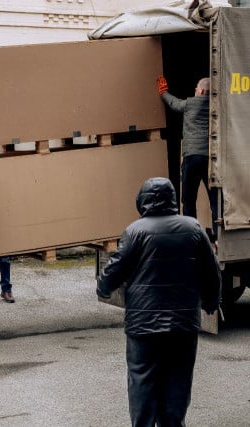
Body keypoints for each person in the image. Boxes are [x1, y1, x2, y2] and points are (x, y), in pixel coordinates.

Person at [97, 177, 221, 427]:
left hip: (143, 327)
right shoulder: (193, 228)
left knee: (142, 381)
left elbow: (113, 271)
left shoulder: (135, 231)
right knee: (177, 381)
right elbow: (211, 273)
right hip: (182, 325)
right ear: (173, 199)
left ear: (142, 201)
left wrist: (104, 288)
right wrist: (210, 301)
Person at [157, 75, 218, 243]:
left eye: (197, 88)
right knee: (214, 199)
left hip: (191, 157)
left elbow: (174, 104)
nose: (195, 90)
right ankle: (219, 236)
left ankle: (191, 237)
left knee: (189, 199)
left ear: (203, 91)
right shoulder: (216, 105)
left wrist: (163, 92)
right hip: (210, 159)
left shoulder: (191, 103)